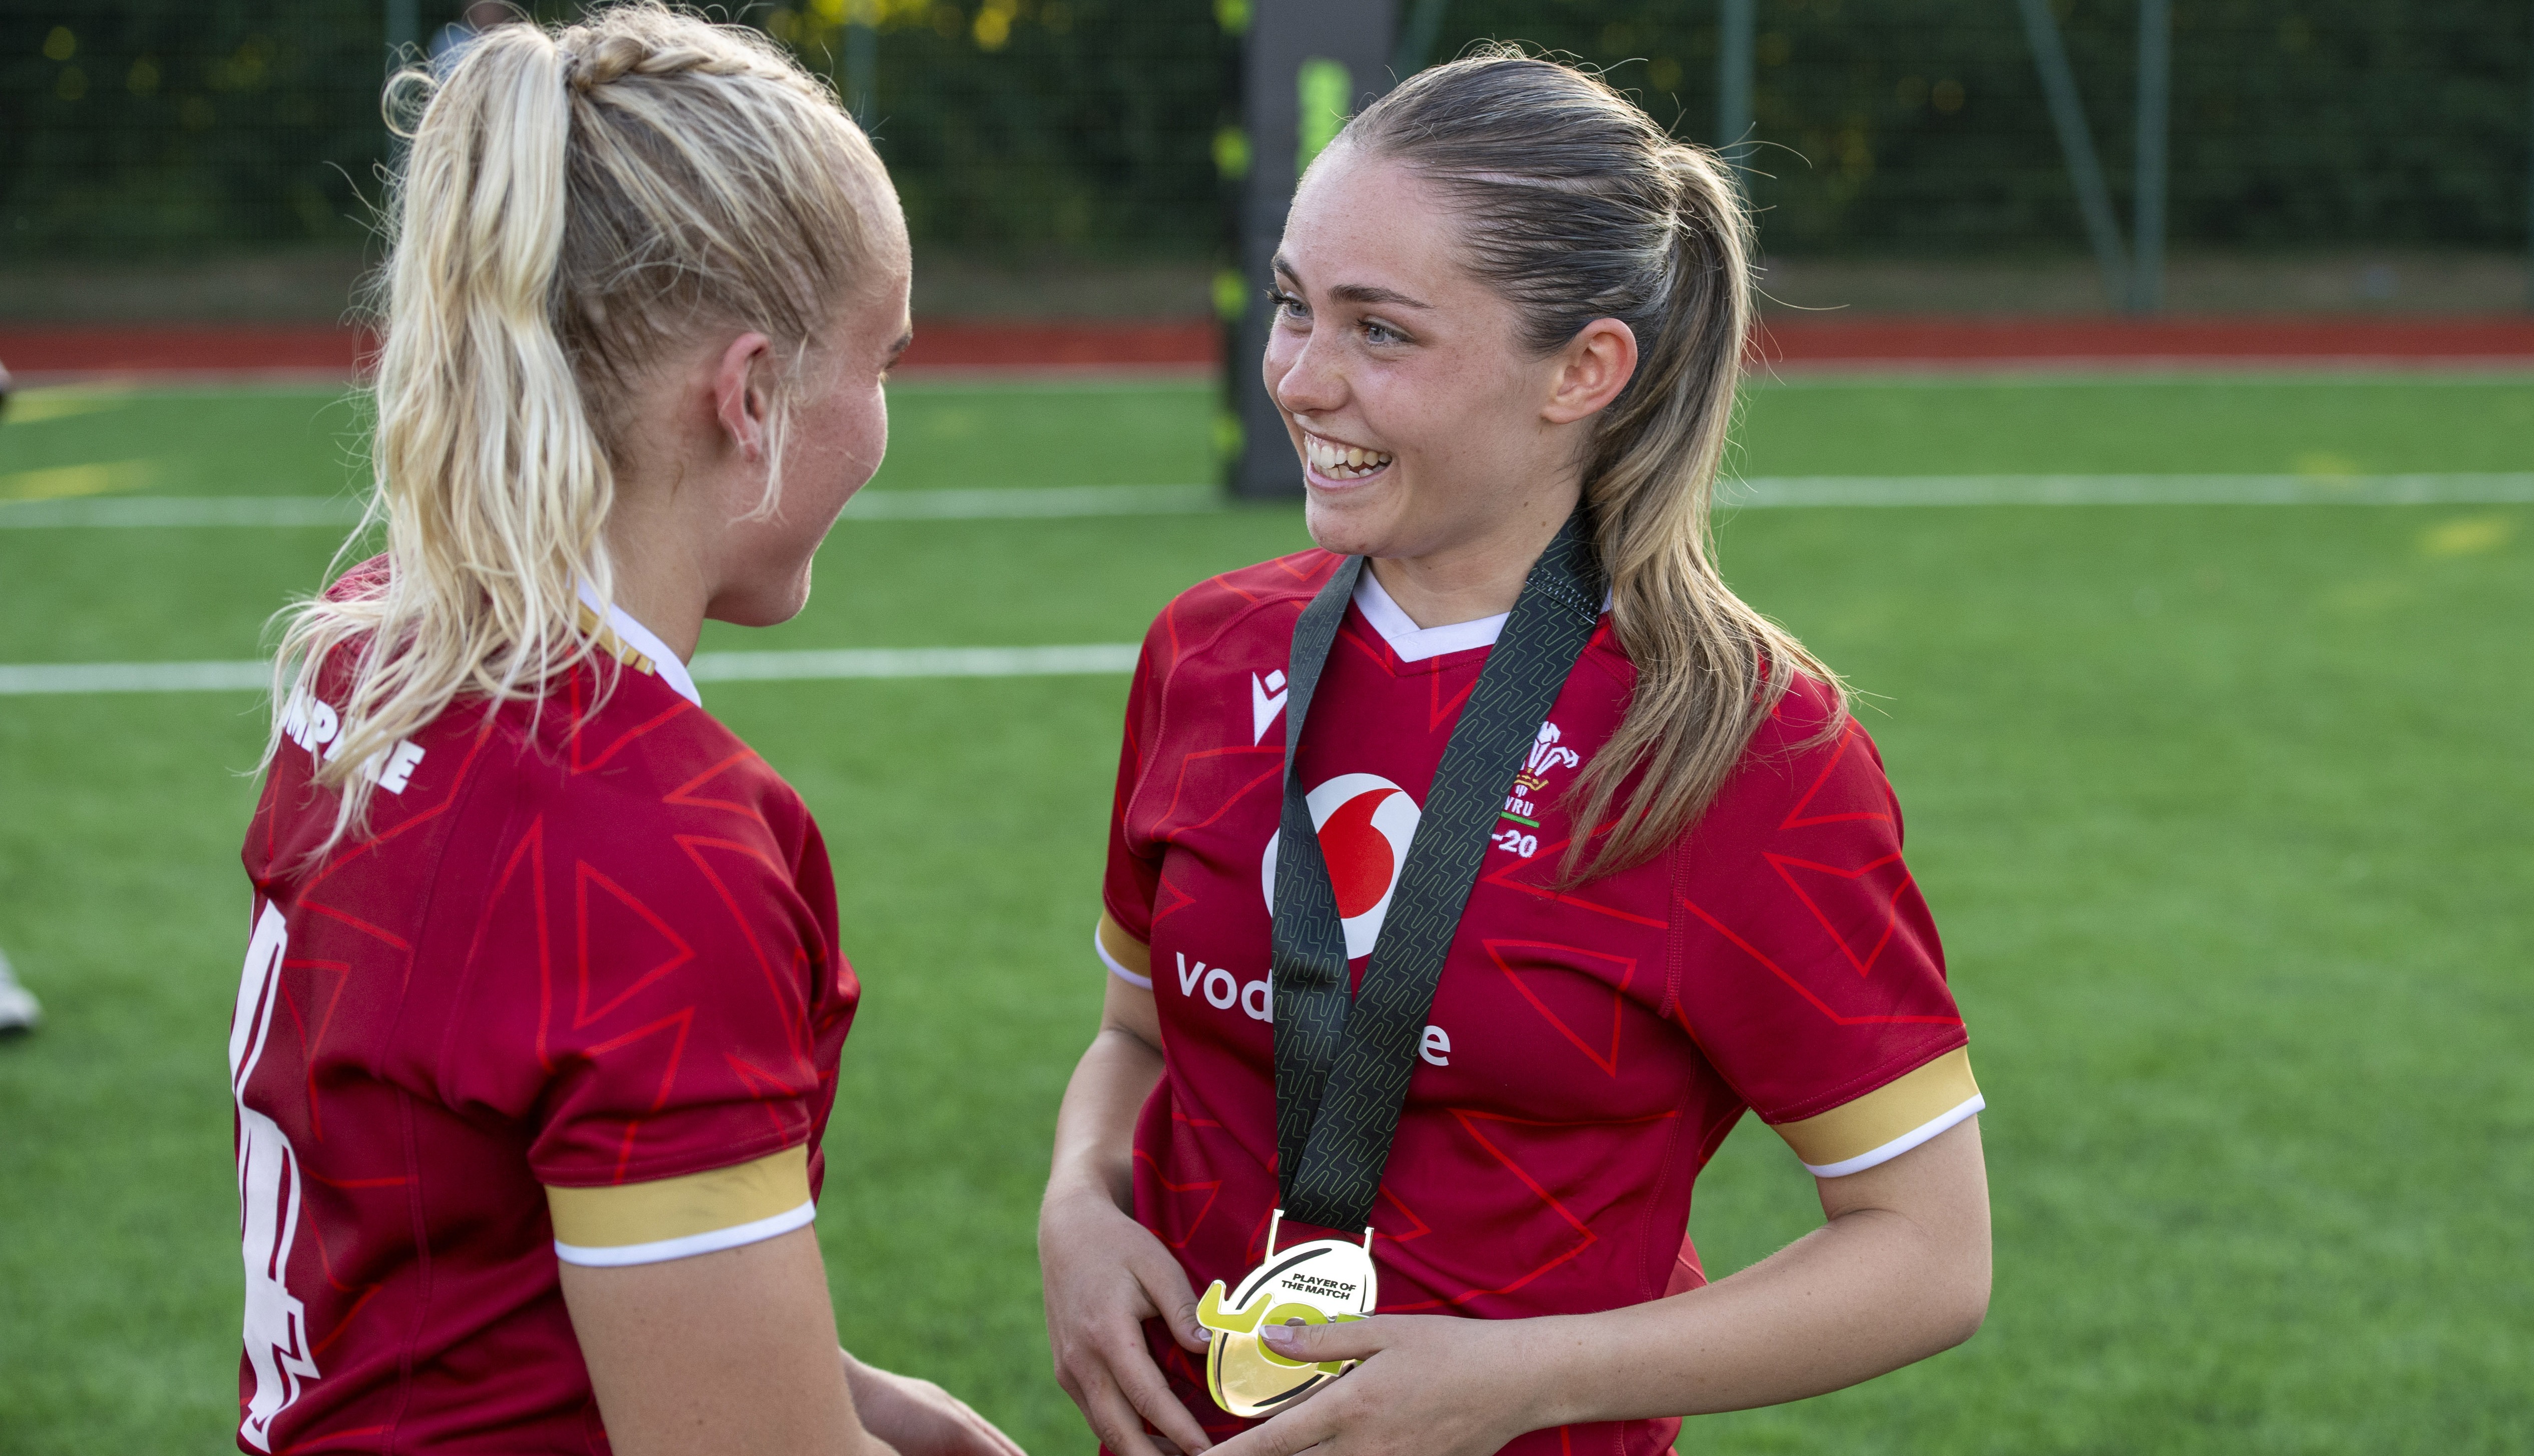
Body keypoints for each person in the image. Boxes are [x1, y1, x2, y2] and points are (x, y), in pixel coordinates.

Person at [1039, 50, 1991, 1456]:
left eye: (1380, 332)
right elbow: (1135, 1036)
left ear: (1583, 371)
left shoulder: (1737, 746)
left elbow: (1928, 1252)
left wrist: (1522, 1380)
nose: (1298, 379)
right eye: (1294, 305)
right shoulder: (1208, 649)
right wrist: (1077, 1203)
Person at [231, 8, 1020, 1454]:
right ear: (749, 395)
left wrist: (879, 1409)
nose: (880, 418)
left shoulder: (369, 642)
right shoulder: (655, 841)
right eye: (882, 364)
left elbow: (489, 1245)